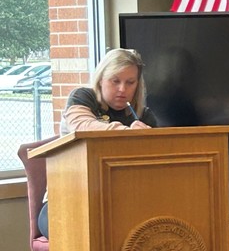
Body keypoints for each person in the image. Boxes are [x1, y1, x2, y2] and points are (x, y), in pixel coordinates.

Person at [37, 48, 157, 237]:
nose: (122, 89)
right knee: (94, 232)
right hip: (66, 200)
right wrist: (128, 133)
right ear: (101, 79)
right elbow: (83, 127)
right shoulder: (82, 97)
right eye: (115, 81)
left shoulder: (143, 116)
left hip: (120, 202)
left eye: (130, 82)